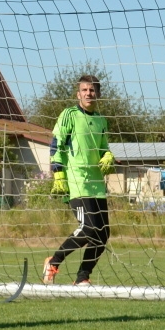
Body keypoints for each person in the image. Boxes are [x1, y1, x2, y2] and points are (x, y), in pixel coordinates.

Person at [42, 75, 115, 286]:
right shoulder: (69, 115)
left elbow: (102, 149)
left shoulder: (101, 120)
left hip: (96, 184)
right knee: (89, 229)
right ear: (78, 94)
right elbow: (57, 144)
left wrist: (108, 156)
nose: (88, 94)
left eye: (92, 90)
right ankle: (53, 262)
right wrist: (58, 174)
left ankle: (82, 277)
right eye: (84, 90)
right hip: (76, 181)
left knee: (102, 235)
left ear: (98, 94)